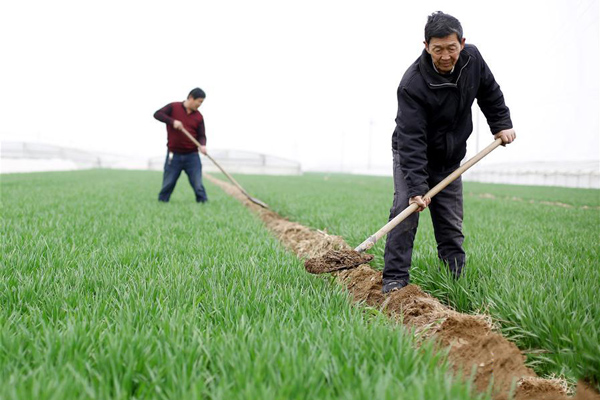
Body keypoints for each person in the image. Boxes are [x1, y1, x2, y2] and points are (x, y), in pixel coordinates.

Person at [382, 11, 516, 294]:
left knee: (450, 223)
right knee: (404, 215)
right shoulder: (412, 84)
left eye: (451, 48)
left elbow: (490, 92)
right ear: (426, 46)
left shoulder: (473, 60)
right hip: (412, 156)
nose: (445, 56)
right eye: (437, 49)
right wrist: (417, 187)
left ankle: (454, 282)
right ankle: (394, 280)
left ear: (462, 44)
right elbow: (411, 139)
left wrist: (502, 124)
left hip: (450, 158)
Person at [154, 88, 209, 203]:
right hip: (173, 155)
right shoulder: (174, 107)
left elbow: (202, 135)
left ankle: (203, 203)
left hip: (192, 156)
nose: (200, 104)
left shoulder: (198, 117)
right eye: (199, 101)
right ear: (190, 97)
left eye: (201, 102)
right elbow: (157, 114)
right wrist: (172, 121)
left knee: (198, 184)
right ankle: (162, 203)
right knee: (168, 183)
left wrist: (202, 145)